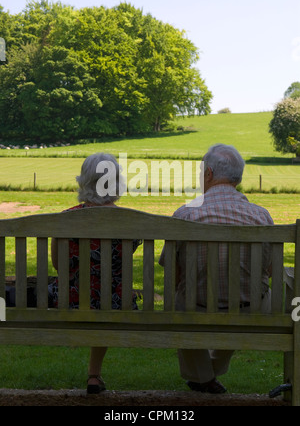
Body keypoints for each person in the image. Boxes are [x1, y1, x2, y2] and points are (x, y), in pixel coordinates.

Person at [159, 143, 274, 394]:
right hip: (250, 311)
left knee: (182, 300)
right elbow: (270, 270)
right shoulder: (261, 217)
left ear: (208, 174)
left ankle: (202, 377)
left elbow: (172, 271)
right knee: (246, 296)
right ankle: (207, 376)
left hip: (195, 309)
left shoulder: (185, 215)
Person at [50, 153, 141, 394]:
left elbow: (58, 266)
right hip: (114, 302)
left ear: (84, 180)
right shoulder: (131, 223)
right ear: (116, 181)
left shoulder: (64, 219)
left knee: (90, 293)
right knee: (106, 296)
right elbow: (122, 263)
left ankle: (94, 374)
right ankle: (94, 374)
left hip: (69, 300)